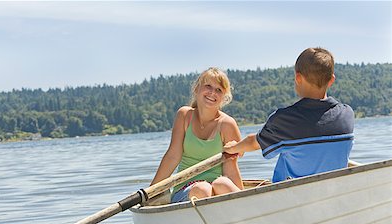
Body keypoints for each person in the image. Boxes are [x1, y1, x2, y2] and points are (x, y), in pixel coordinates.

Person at [224, 47, 354, 183]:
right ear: (331, 80)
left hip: (293, 195)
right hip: (334, 191)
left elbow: (254, 142)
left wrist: (234, 147)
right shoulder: (346, 114)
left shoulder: (285, 120)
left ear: (298, 78)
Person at [150, 67, 244, 203]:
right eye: (208, 86)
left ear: (224, 97)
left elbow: (231, 167)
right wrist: (152, 190)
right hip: (186, 189)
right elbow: (172, 156)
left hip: (217, 187)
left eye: (219, 90)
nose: (212, 93)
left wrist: (241, 194)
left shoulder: (227, 124)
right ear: (196, 89)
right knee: (203, 189)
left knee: (222, 184)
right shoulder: (184, 115)